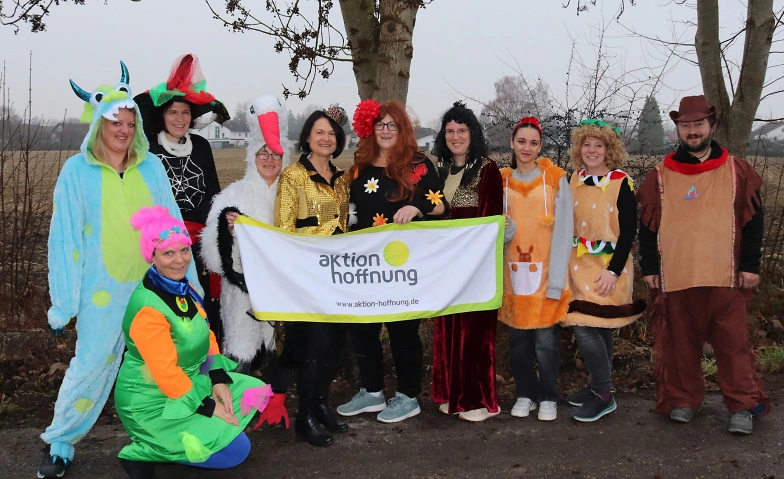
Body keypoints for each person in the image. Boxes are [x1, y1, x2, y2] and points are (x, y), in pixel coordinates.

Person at [38, 63, 200, 479]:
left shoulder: (152, 168)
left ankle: (167, 440)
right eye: (115, 123)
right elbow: (65, 241)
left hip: (154, 289)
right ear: (99, 126)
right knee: (91, 365)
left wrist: (190, 283)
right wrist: (64, 303)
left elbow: (174, 226)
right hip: (101, 292)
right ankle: (61, 442)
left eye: (130, 123)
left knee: (163, 367)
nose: (124, 130)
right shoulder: (76, 173)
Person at [637, 95, 770, 434]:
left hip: (726, 275)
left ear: (712, 125)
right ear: (678, 129)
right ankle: (683, 399)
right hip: (676, 275)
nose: (692, 130)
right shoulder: (660, 175)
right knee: (680, 344)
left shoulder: (737, 171)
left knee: (733, 344)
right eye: (685, 125)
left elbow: (754, 221)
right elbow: (647, 227)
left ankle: (742, 405)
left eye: (698, 124)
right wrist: (649, 268)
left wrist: (751, 265)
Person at [114, 206, 271, 478]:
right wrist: (210, 407)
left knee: (249, 390)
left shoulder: (182, 287)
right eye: (168, 253)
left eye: (184, 250)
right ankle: (142, 451)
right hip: (152, 402)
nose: (179, 260)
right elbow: (166, 374)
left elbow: (205, 335)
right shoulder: (148, 309)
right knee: (235, 452)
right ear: (152, 256)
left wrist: (218, 379)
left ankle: (202, 433)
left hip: (189, 383)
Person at [337, 100, 447, 424]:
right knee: (363, 329)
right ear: (371, 129)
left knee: (402, 330)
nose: (385, 131)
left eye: (392, 125)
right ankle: (371, 391)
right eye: (380, 125)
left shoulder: (418, 165)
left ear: (402, 129)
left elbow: (441, 206)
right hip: (365, 266)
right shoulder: (359, 168)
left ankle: (408, 396)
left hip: (403, 266)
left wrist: (417, 208)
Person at [201, 94, 294, 430]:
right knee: (241, 354)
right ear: (252, 155)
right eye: (262, 153)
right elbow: (211, 252)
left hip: (284, 293)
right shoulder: (233, 196)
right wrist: (229, 236)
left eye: (275, 154)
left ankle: (274, 407)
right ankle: (231, 415)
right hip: (241, 296)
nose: (269, 159)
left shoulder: (294, 193)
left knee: (278, 350)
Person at [135, 53, 230, 343]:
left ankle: (205, 351)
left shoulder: (200, 146)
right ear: (162, 116)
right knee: (164, 303)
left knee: (201, 300)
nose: (179, 119)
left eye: (185, 112)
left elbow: (212, 192)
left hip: (197, 237)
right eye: (173, 112)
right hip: (160, 237)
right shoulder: (149, 147)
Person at [274, 105, 352, 446]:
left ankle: (321, 404)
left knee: (334, 344)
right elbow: (284, 228)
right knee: (313, 345)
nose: (326, 138)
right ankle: (305, 414)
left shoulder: (343, 179)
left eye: (332, 133)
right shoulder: (293, 176)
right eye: (319, 132)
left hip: (338, 276)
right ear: (307, 137)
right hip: (307, 276)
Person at [562, 119, 645, 422]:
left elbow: (629, 231)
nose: (592, 150)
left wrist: (613, 271)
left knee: (586, 326)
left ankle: (603, 394)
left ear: (609, 150)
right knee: (596, 326)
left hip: (608, 267)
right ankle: (601, 387)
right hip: (578, 265)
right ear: (579, 148)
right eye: (587, 144)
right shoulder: (575, 179)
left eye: (599, 145)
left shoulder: (621, 182)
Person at [430, 102, 508, 422]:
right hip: (445, 268)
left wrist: (473, 264)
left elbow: (490, 224)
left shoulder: (487, 170)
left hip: (476, 268)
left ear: (473, 133)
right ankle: (454, 393)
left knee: (474, 335)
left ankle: (479, 401)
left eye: (462, 130)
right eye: (450, 131)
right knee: (449, 331)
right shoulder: (441, 169)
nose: (456, 136)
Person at [498, 116, 573, 422]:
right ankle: (525, 394)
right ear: (512, 143)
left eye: (533, 143)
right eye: (521, 141)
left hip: (546, 275)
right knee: (519, 344)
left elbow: (564, 229)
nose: (526, 148)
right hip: (513, 277)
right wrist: (505, 232)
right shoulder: (501, 181)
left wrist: (556, 280)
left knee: (546, 343)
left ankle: (548, 396)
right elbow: (494, 229)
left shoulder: (555, 179)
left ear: (540, 146)